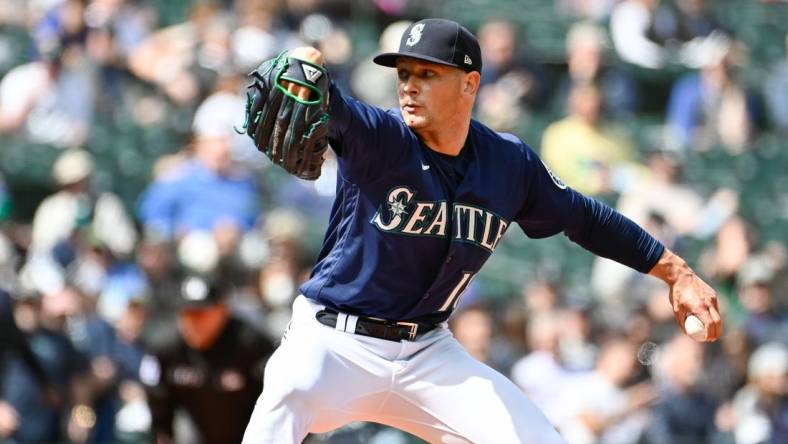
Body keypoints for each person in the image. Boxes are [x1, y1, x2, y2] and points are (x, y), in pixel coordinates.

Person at [241, 18, 722, 443]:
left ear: (470, 84)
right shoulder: (380, 135)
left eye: (427, 74)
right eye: (404, 74)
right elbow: (320, 91)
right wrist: (305, 60)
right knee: (280, 406)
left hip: (427, 353)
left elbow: (586, 219)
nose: (409, 86)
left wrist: (673, 271)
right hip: (334, 342)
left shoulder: (508, 163)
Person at [140, 274, 275, 444]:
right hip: (195, 431)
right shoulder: (166, 350)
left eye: (202, 314)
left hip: (248, 433)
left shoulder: (252, 345)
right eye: (188, 314)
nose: (194, 323)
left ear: (223, 311)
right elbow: (158, 405)